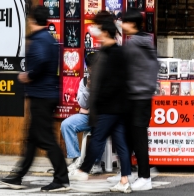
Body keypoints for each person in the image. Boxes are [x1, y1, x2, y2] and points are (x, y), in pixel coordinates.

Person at [0, 6, 70, 192]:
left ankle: (62, 178)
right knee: (32, 139)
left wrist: (27, 75)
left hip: (42, 96)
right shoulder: (48, 39)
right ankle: (18, 176)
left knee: (46, 139)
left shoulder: (40, 40)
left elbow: (41, 62)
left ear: (31, 21)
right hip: (46, 94)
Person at [68, 11, 132, 194]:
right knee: (121, 144)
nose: (94, 31)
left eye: (97, 28)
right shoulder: (120, 52)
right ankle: (124, 181)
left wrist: (96, 107)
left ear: (104, 32)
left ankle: (83, 170)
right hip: (119, 107)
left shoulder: (104, 54)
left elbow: (100, 85)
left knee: (97, 139)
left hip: (107, 107)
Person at [121, 8, 159, 191]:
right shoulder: (148, 43)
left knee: (137, 138)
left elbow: (123, 71)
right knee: (133, 137)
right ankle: (127, 174)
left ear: (133, 24)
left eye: (125, 21)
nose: (122, 24)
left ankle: (144, 176)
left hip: (134, 98)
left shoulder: (132, 45)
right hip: (145, 97)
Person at [61, 52, 103, 174]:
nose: (92, 69)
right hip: (87, 116)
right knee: (66, 124)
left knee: (100, 127)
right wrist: (88, 88)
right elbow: (84, 104)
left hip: (102, 117)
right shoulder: (84, 82)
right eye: (90, 67)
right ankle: (76, 158)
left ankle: (96, 162)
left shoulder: (105, 80)